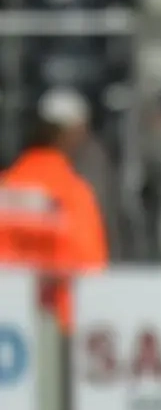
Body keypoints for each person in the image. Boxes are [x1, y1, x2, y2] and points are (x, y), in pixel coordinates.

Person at [0, 88, 108, 334]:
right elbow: (92, 267)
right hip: (57, 328)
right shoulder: (74, 194)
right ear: (72, 134)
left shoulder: (4, 187)